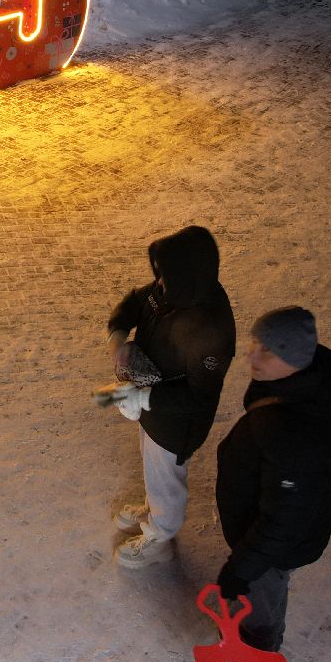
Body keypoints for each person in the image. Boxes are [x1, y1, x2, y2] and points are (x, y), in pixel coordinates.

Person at [188, 306, 331, 662]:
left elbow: (282, 524)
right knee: (263, 590)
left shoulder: (293, 435)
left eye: (265, 351)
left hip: (273, 548)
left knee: (260, 609)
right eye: (254, 345)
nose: (251, 358)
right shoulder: (311, 379)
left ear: (294, 358)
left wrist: (240, 570)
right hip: (278, 529)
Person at [101, 226, 235, 569]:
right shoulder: (173, 288)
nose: (158, 284)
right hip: (151, 402)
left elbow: (199, 398)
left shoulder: (211, 330)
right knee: (152, 464)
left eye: (166, 278)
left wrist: (144, 399)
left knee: (166, 478)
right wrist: (118, 334)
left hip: (176, 422)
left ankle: (160, 534)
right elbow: (135, 302)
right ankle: (153, 505)